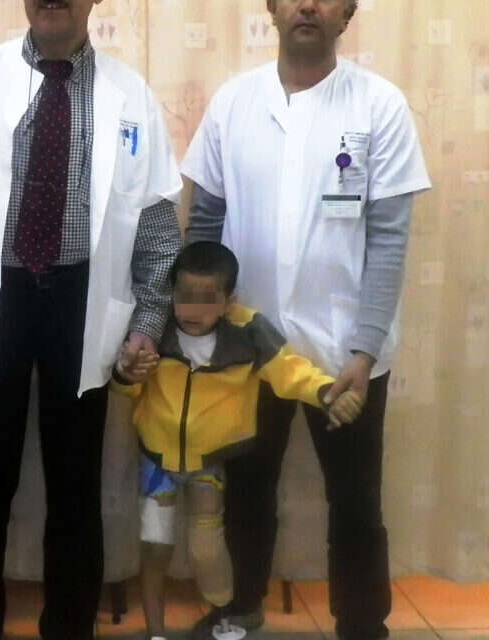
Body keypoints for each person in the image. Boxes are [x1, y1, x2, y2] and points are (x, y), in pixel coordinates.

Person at [0, 1, 184, 637]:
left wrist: (148, 322)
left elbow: (158, 224)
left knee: (76, 489)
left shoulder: (131, 96)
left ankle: (70, 628)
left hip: (84, 299)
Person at [180, 1, 431, 637]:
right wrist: (201, 331)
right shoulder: (233, 104)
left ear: (348, 11)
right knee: (246, 491)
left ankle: (362, 627)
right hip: (246, 347)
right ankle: (240, 610)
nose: (309, 4)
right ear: (271, 6)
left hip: (345, 352)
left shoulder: (379, 106)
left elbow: (389, 238)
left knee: (355, 503)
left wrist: (365, 350)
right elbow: (205, 225)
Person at [113, 241, 364, 640]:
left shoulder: (249, 332)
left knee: (207, 549)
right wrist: (127, 374)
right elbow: (126, 387)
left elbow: (290, 372)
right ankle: (156, 632)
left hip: (209, 462)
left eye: (207, 299)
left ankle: (225, 619)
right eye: (183, 296)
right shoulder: (156, 328)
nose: (192, 310)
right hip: (156, 462)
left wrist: (327, 392)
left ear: (229, 301)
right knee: (155, 548)